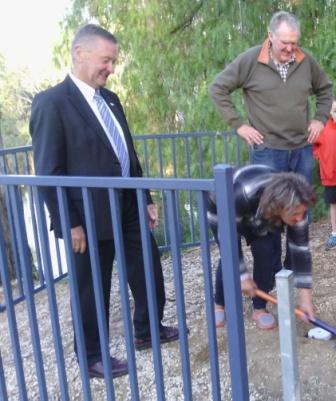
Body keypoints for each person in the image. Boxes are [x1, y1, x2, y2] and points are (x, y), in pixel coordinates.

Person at [29, 24, 178, 379]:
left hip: (127, 204)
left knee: (146, 266)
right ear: (80, 53)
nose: (111, 68)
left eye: (113, 61)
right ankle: (93, 356)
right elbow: (49, 172)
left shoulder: (110, 98)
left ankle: (147, 329)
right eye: (106, 60)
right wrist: (69, 222)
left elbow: (127, 152)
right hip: (88, 215)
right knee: (92, 286)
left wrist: (145, 197)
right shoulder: (52, 103)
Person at [209, 10, 333, 328]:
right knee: (250, 236)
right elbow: (218, 89)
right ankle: (222, 300)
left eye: (295, 43)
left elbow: (325, 89)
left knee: (289, 227)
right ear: (270, 35)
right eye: (285, 43)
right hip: (263, 158)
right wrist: (239, 125)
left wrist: (319, 118)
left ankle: (271, 295)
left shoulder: (306, 62)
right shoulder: (250, 61)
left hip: (299, 150)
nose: (290, 49)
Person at [206, 165, 316, 329]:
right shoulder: (242, 194)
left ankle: (259, 308)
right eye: (295, 214)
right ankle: (219, 304)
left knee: (266, 253)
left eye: (302, 213)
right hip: (222, 205)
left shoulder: (298, 204)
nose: (300, 219)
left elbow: (300, 251)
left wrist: (305, 298)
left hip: (263, 209)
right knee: (229, 257)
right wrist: (242, 276)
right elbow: (228, 240)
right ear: (280, 207)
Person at [313, 100, 336, 250]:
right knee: (334, 205)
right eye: (334, 110)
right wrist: (320, 157)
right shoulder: (323, 128)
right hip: (330, 175)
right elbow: (315, 146)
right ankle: (335, 233)